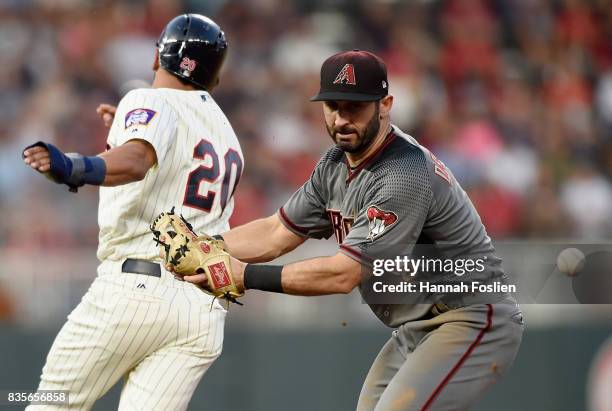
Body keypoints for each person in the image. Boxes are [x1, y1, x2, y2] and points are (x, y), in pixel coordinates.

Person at [174, 50, 524, 410]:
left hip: (472, 316)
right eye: (333, 105)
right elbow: (277, 232)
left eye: (354, 106)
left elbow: (343, 275)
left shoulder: (403, 173)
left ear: (384, 105)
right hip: (417, 325)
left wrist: (244, 275)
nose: (342, 118)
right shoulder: (333, 165)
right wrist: (202, 246)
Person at [22, 14, 243, 410]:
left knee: (52, 403)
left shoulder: (147, 98)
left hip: (135, 288)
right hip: (201, 310)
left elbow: (138, 159)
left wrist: (74, 166)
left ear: (158, 56)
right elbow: (161, 161)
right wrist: (124, 131)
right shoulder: (227, 133)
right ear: (215, 76)